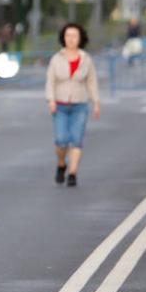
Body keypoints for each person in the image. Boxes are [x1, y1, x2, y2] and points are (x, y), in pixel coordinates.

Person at [46, 22, 101, 187]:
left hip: (80, 104)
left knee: (76, 140)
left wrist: (96, 102)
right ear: (63, 38)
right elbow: (50, 81)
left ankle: (72, 173)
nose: (71, 39)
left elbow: (92, 82)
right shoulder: (57, 59)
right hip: (60, 104)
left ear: (80, 38)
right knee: (61, 140)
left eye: (74, 36)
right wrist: (51, 100)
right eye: (67, 36)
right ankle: (62, 164)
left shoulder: (86, 59)